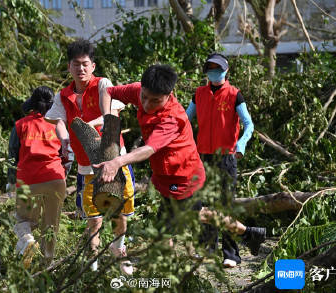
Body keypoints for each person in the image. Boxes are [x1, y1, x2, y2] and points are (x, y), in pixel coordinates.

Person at [44, 39, 135, 275]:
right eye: (76, 64)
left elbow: (112, 114)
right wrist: (65, 141)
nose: (81, 69)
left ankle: (119, 249)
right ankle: (92, 265)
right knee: (93, 219)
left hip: (113, 160)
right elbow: (59, 123)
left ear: (92, 66)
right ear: (69, 67)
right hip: (86, 165)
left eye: (85, 64)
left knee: (120, 212)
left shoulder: (104, 84)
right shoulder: (62, 96)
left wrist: (88, 124)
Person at [95, 64, 207, 246]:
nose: (146, 104)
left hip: (183, 178)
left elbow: (148, 149)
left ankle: (169, 272)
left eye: (155, 101)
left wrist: (117, 162)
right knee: (196, 215)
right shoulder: (140, 90)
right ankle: (247, 231)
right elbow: (107, 92)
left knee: (167, 232)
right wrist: (107, 118)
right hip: (165, 175)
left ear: (169, 95)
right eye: (144, 97)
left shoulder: (173, 118)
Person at [186, 53, 266, 268]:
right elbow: (185, 120)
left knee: (225, 204)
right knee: (204, 204)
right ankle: (206, 249)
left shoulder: (234, 94)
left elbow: (248, 124)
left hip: (226, 157)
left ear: (226, 70)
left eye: (217, 68)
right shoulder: (199, 94)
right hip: (202, 157)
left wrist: (241, 145)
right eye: (210, 68)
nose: (214, 71)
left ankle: (231, 254)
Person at [8, 86, 67, 268]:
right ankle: (46, 266)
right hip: (55, 177)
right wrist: (62, 176)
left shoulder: (21, 125)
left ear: (32, 104)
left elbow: (12, 155)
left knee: (24, 221)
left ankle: (27, 243)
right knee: (51, 226)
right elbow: (68, 155)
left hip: (28, 180)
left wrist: (11, 181)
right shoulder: (59, 125)